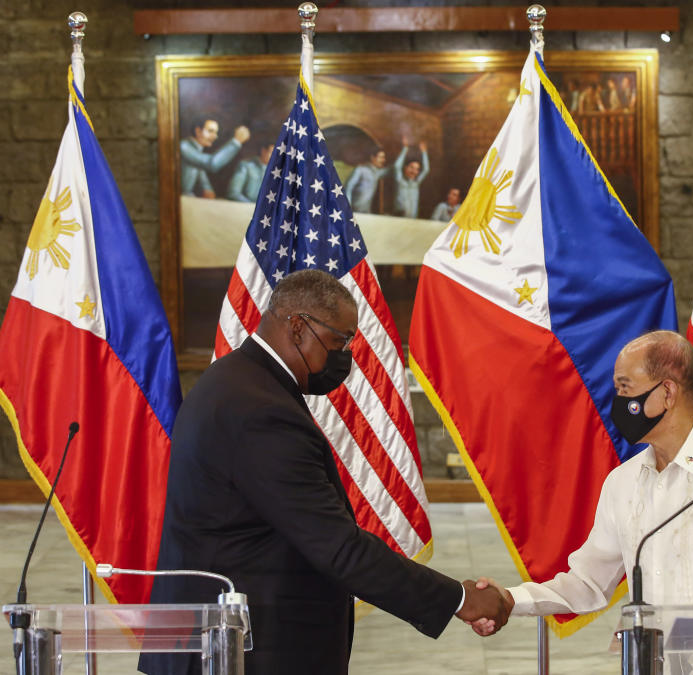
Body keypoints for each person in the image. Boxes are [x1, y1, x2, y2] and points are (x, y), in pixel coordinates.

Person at [139, 270, 508, 675]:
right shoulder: (260, 410)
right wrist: (459, 599)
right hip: (243, 650)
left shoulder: (237, 381)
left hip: (229, 641)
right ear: (298, 326)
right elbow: (337, 547)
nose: (344, 356)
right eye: (338, 341)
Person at [472, 331, 693, 672]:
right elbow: (588, 582)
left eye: (625, 388)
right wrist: (510, 599)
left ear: (667, 392)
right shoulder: (623, 483)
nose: (618, 401)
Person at [180, 117, 250, 198]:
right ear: (198, 131)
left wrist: (207, 189)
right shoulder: (184, 147)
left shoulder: (196, 152)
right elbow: (211, 163)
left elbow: (204, 182)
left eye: (216, 132)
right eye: (210, 131)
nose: (215, 136)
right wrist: (236, 142)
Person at [344, 147, 389, 213]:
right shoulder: (360, 169)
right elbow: (348, 187)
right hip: (354, 211)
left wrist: (405, 149)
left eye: (384, 158)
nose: (383, 160)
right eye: (381, 157)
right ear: (373, 157)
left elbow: (394, 168)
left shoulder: (377, 173)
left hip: (366, 212)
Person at [393, 136, 430, 218]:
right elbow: (397, 166)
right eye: (411, 167)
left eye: (417, 169)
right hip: (399, 219)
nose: (413, 171)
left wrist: (424, 152)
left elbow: (426, 170)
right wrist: (405, 148)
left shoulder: (416, 183)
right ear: (405, 168)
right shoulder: (400, 180)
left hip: (413, 219)